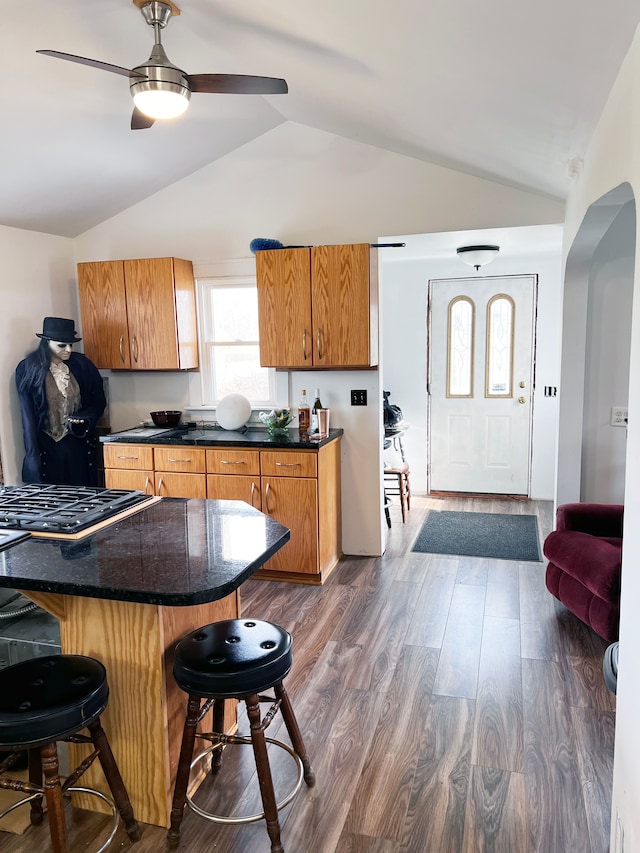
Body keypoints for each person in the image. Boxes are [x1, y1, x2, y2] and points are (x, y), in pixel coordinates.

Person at [15, 317, 106, 485]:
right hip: (47, 447)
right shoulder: (28, 369)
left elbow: (98, 401)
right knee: (55, 501)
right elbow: (27, 419)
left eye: (71, 344)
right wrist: (32, 457)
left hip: (77, 444)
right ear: (46, 342)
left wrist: (85, 417)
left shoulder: (82, 365)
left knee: (83, 498)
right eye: (62, 345)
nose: (68, 350)